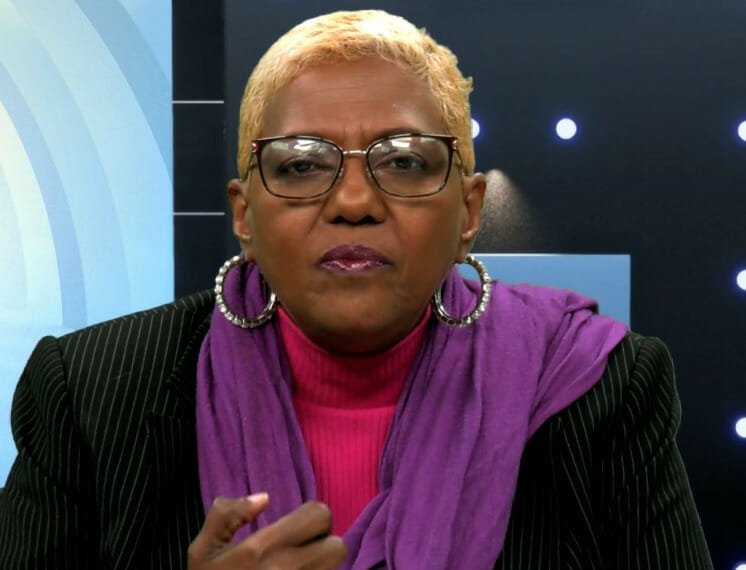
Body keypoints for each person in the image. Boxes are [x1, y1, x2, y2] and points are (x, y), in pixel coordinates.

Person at [0, 9, 712, 569]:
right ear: (244, 216)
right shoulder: (89, 393)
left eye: (403, 162)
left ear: (468, 213)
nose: (353, 201)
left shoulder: (603, 388)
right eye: (302, 165)